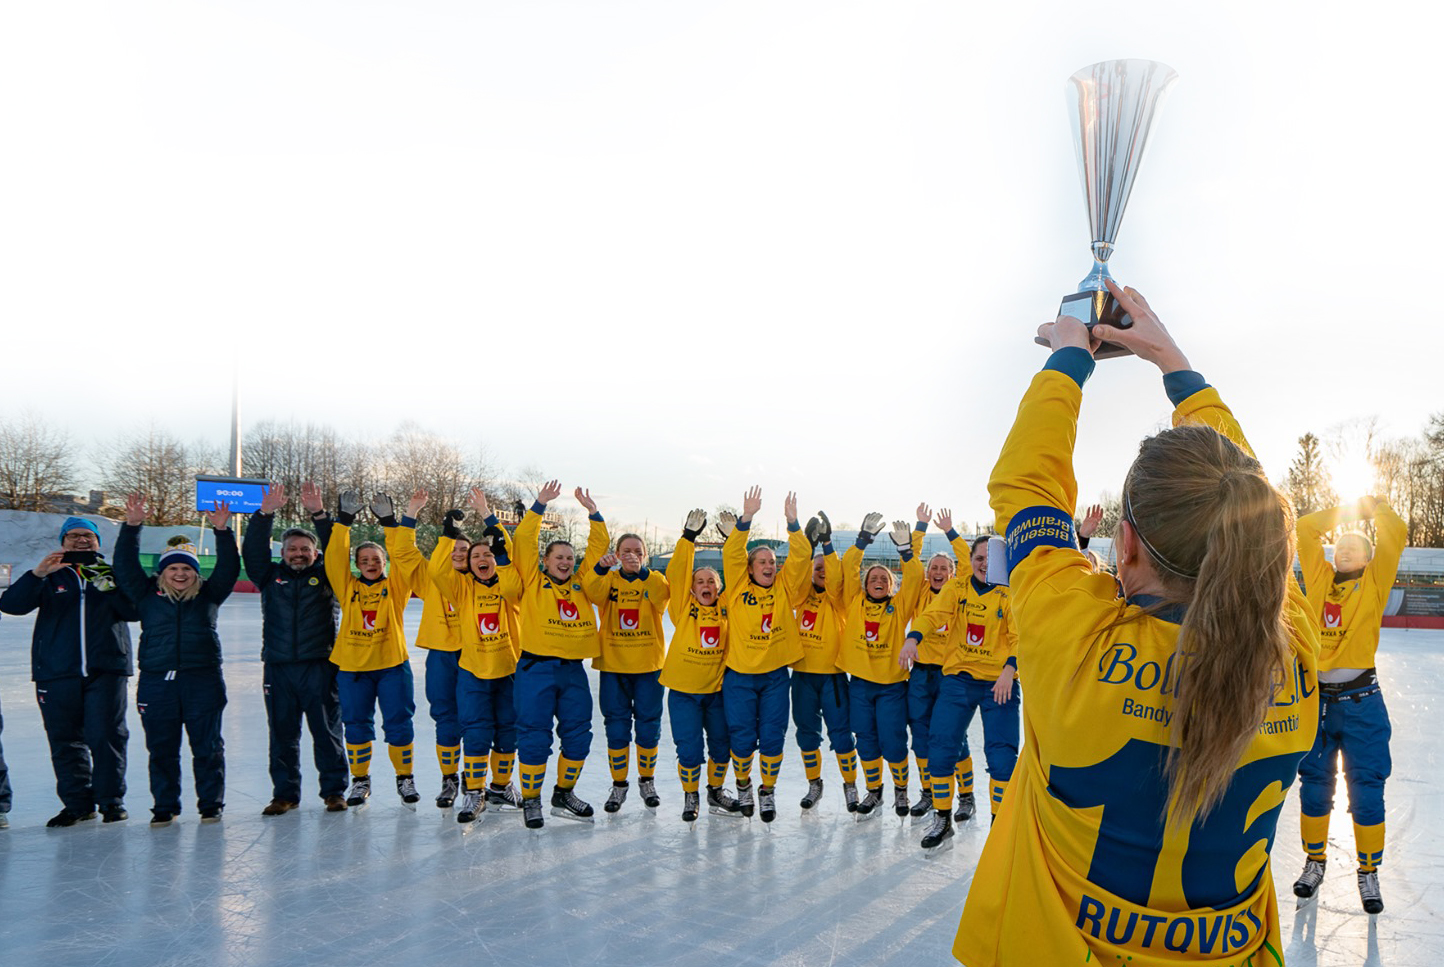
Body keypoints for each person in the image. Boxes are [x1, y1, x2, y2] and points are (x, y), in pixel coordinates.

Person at [952, 281, 1319, 966]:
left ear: (1122, 546)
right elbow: (1252, 512)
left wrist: (1072, 357)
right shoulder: (1293, 652)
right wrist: (1174, 365)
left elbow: (1026, 489)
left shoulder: (1072, 639)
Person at [1292, 495, 1406, 913]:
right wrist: (1349, 514)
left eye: (1354, 546)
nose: (1343, 549)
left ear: (1369, 557)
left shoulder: (1374, 582)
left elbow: (1396, 533)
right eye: (1339, 545)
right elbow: (1305, 529)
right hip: (1318, 703)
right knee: (1314, 784)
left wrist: (1372, 511)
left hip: (1362, 705)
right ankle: (1314, 862)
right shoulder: (1320, 580)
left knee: (1366, 788)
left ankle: (1368, 870)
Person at [1, 516, 138, 827]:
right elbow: (11, 605)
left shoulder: (111, 573)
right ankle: (78, 805)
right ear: (63, 542)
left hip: (107, 669)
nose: (81, 540)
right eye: (73, 536)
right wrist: (37, 574)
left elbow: (134, 611)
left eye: (88, 536)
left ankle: (111, 801)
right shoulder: (49, 576)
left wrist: (109, 586)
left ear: (98, 542)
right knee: (65, 740)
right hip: (56, 671)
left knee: (107, 736)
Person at [113, 495, 240, 826]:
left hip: (203, 679)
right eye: (173, 568)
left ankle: (211, 804)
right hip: (157, 682)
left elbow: (228, 568)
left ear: (195, 573)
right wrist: (132, 526)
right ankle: (165, 805)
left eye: (186, 568)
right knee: (162, 749)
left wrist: (222, 531)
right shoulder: (145, 595)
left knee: (208, 746)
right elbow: (124, 566)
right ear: (163, 572)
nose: (180, 574)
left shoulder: (209, 595)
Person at [903, 534, 1019, 847]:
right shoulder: (957, 588)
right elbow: (933, 615)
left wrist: (1010, 669)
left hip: (999, 681)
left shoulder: (1009, 592)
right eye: (979, 558)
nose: (984, 565)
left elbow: (1021, 635)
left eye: (990, 559)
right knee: (941, 745)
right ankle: (943, 819)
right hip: (960, 678)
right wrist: (913, 638)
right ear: (970, 560)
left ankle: (999, 826)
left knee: (1002, 756)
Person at [241, 481, 348, 816]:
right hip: (279, 667)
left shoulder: (329, 575)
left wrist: (320, 515)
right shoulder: (269, 576)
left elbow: (338, 550)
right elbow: (252, 552)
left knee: (327, 732)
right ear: (283, 553)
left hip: (320, 665)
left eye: (305, 549)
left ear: (315, 553)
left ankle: (334, 791)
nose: (298, 554)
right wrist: (264, 516)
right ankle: (284, 794)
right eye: (292, 549)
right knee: (282, 734)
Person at [324, 489, 429, 809]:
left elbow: (404, 559)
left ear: (384, 563)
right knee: (356, 724)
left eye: (376, 560)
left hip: (392, 666)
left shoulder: (395, 588)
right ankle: (360, 780)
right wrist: (343, 521)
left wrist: (389, 523)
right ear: (357, 565)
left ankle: (404, 777)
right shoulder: (348, 587)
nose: (370, 564)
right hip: (353, 668)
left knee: (399, 723)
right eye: (364, 561)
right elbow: (334, 559)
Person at [511, 480, 607, 828]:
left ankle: (563, 793)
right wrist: (539, 505)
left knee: (579, 735)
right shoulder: (533, 581)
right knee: (535, 736)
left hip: (573, 672)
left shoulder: (582, 583)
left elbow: (598, 547)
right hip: (535, 669)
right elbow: (524, 541)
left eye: (569, 557)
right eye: (559, 557)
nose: (565, 562)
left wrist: (594, 513)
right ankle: (531, 799)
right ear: (546, 561)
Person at [428, 489, 526, 824]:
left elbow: (509, 557)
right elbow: (438, 571)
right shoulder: (462, 588)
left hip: (509, 669)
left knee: (508, 730)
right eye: (475, 556)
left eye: (487, 554)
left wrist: (488, 517)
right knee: (476, 731)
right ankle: (474, 791)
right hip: (473, 671)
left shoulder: (510, 587)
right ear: (469, 565)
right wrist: (448, 535)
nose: (482, 559)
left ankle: (501, 786)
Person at [719, 487, 810, 822]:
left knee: (773, 737)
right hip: (740, 676)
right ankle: (743, 785)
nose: (769, 566)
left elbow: (801, 555)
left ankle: (767, 790)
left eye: (772, 561)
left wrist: (792, 522)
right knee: (742, 738)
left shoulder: (784, 587)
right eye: (762, 562)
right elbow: (732, 553)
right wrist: (747, 517)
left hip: (774, 677)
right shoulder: (738, 587)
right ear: (750, 568)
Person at [576, 489, 670, 813]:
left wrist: (643, 572)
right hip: (613, 666)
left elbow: (662, 595)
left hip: (648, 667)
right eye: (626, 551)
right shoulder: (609, 580)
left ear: (646, 556)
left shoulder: (654, 579)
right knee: (616, 727)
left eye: (638, 552)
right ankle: (619, 785)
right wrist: (602, 568)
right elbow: (591, 591)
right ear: (616, 554)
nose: (632, 556)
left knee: (648, 725)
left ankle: (647, 780)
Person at [836, 509, 926, 818]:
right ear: (865, 584)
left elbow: (915, 577)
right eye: (872, 578)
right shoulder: (854, 602)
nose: (877, 581)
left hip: (892, 687)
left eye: (883, 579)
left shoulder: (898, 607)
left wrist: (906, 550)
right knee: (866, 740)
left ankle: (901, 790)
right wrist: (863, 540)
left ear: (891, 585)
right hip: (860, 685)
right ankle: (874, 791)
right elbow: (849, 566)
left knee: (894, 740)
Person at [660, 509, 744, 821]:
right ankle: (690, 795)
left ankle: (715, 791)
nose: (705, 584)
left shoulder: (728, 607)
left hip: (718, 691)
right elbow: (678, 572)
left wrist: (735, 540)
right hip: (684, 692)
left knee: (722, 746)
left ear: (718, 587)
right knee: (689, 749)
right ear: (693, 588)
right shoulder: (683, 608)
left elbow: (740, 575)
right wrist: (688, 538)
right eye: (700, 581)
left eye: (711, 581)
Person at [901, 507, 971, 818]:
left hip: (951, 674)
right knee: (921, 734)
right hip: (921, 674)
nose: (938, 572)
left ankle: (966, 795)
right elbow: (912, 564)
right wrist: (919, 527)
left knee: (954, 734)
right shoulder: (920, 591)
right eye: (934, 568)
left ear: (952, 574)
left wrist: (951, 531)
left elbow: (967, 561)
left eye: (944, 568)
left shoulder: (959, 591)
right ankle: (928, 792)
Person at [788, 509, 858, 812]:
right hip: (803, 675)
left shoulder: (838, 600)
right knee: (807, 734)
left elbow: (837, 578)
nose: (822, 571)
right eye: (817, 568)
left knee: (841, 734)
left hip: (832, 676)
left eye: (825, 568)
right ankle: (814, 783)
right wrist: (807, 545)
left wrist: (827, 545)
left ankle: (850, 784)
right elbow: (795, 575)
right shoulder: (800, 597)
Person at [413, 509, 471, 810]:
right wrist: (408, 517)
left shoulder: (483, 581)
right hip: (442, 656)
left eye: (464, 550)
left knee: (476, 718)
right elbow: (406, 555)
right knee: (446, 717)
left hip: (477, 655)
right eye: (453, 549)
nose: (458, 553)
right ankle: (449, 779)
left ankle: (476, 780)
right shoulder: (432, 580)